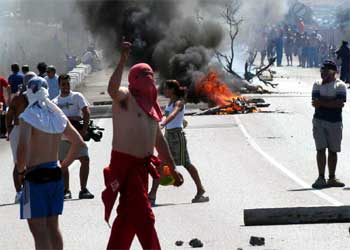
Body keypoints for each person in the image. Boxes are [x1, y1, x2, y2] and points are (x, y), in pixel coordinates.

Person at [103, 42, 183, 250]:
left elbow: (159, 141)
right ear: (133, 80)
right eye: (143, 73)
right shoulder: (125, 97)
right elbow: (111, 89)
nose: (148, 77)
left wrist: (173, 168)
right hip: (126, 168)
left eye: (150, 73)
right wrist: (122, 60)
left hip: (142, 170)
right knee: (145, 218)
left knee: (128, 220)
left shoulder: (152, 106)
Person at [17, 76, 85, 250]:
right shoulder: (57, 113)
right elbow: (78, 143)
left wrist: (20, 171)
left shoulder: (27, 116)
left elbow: (23, 149)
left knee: (39, 231)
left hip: (35, 178)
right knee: (53, 228)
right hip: (55, 175)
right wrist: (63, 166)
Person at [148, 79, 209, 205]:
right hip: (169, 135)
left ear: (172, 90)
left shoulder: (179, 102)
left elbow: (174, 114)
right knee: (160, 164)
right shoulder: (170, 101)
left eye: (166, 88)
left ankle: (200, 190)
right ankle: (152, 195)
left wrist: (163, 124)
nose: (164, 91)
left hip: (177, 137)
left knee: (186, 163)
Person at [52, 74, 94, 199]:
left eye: (68, 84)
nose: (66, 86)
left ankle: (83, 189)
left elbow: (86, 112)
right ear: (59, 85)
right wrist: (71, 118)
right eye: (63, 84)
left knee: (85, 160)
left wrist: (84, 130)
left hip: (77, 137)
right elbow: (55, 120)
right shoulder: (55, 102)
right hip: (63, 138)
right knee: (63, 164)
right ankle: (66, 190)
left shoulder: (77, 96)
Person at [311, 60, 347, 189]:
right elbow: (315, 102)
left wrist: (323, 102)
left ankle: (332, 178)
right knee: (320, 149)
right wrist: (330, 102)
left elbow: (339, 103)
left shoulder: (340, 85)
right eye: (322, 71)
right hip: (319, 121)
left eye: (326, 71)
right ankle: (321, 177)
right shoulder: (317, 84)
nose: (323, 73)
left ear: (333, 72)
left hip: (335, 122)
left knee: (333, 151)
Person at [6, 72, 36, 203]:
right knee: (18, 161)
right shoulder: (18, 97)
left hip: (32, 129)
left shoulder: (36, 95)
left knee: (31, 161)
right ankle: (19, 192)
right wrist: (10, 129)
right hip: (18, 130)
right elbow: (9, 114)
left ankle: (30, 189)